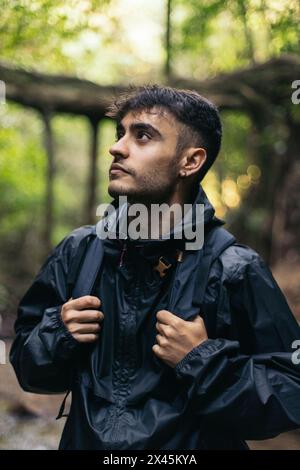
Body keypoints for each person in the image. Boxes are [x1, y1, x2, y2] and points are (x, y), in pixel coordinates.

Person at [10, 85, 300, 450]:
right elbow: (27, 369)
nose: (117, 147)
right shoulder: (79, 252)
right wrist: (58, 333)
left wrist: (203, 362)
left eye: (142, 135)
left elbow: (292, 393)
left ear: (190, 162)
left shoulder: (233, 269)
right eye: (121, 133)